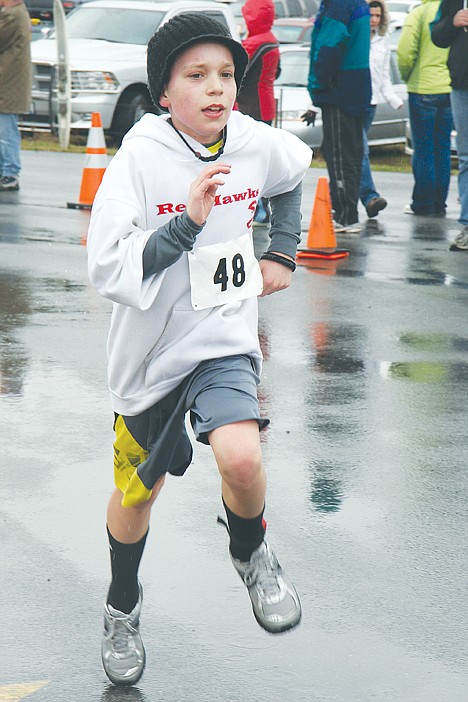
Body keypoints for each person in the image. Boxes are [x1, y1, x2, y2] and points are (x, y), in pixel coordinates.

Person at [87, 13, 312, 687]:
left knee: (242, 456)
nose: (216, 88)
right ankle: (121, 604)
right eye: (196, 76)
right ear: (164, 92)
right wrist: (185, 225)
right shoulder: (138, 157)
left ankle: (252, 553)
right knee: (137, 493)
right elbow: (109, 267)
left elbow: (293, 171)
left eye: (225, 75)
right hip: (149, 356)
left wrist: (282, 252)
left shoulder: (250, 140)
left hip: (221, 338)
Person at [307, 0, 372, 233]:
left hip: (338, 90)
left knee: (340, 156)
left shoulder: (339, 5)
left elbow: (328, 47)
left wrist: (316, 86)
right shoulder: (356, 4)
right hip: (355, 87)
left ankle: (345, 216)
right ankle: (347, 214)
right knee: (350, 154)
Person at [397, 0, 453, 216]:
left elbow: (405, 51)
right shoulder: (453, 10)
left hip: (423, 87)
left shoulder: (419, 12)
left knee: (424, 149)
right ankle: (440, 202)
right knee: (443, 148)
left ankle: (423, 203)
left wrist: (407, 75)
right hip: (449, 86)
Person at [237, 0, 280, 224]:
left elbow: (237, 73)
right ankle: (262, 207)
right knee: (261, 158)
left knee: (249, 161)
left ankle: (258, 209)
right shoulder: (271, 40)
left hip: (249, 105)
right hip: (266, 103)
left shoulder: (254, 43)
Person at [360, 0, 403, 218]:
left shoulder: (383, 40)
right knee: (361, 149)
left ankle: (344, 195)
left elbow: (383, 76)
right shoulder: (356, 37)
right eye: (371, 16)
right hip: (354, 101)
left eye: (378, 16)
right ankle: (369, 198)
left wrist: (394, 99)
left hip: (372, 103)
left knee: (355, 152)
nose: (374, 20)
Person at [431, 0, 468, 251]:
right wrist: (452, 21)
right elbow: (437, 36)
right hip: (462, 85)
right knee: (465, 156)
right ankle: (467, 225)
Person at [0, 0, 31, 192]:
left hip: (8, 84)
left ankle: (10, 172)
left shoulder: (12, 16)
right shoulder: (18, 13)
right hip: (9, 82)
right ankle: (6, 169)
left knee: (6, 131)